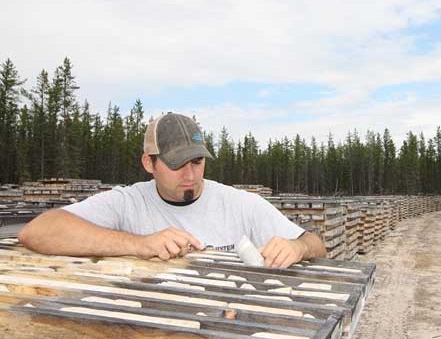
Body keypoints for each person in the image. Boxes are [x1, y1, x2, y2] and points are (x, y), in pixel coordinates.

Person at [19, 113, 326, 268]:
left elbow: (316, 245)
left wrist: (298, 249)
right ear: (148, 163)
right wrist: (140, 244)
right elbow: (38, 232)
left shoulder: (241, 205)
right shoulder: (129, 203)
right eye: (178, 164)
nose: (191, 174)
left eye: (197, 161)